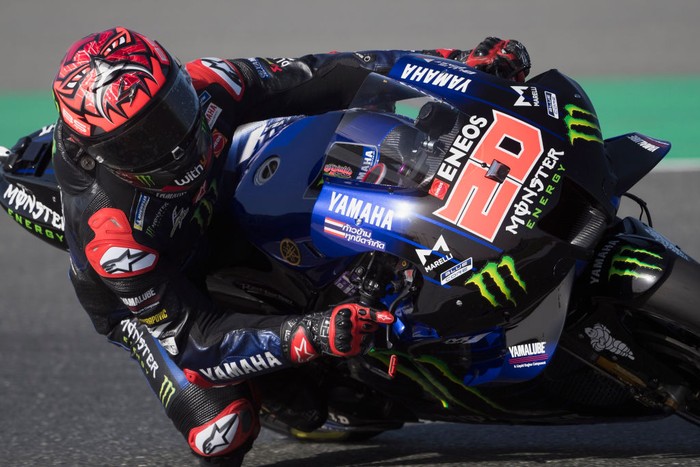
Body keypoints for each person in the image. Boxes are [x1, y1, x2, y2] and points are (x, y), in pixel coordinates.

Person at [50, 27, 530, 465]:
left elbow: (326, 72)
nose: (174, 145)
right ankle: (278, 380)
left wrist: (457, 63)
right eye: (144, 143)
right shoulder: (113, 234)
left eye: (172, 111)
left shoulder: (206, 84)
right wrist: (312, 334)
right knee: (222, 432)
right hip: (161, 296)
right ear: (100, 154)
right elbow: (195, 337)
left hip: (221, 200)